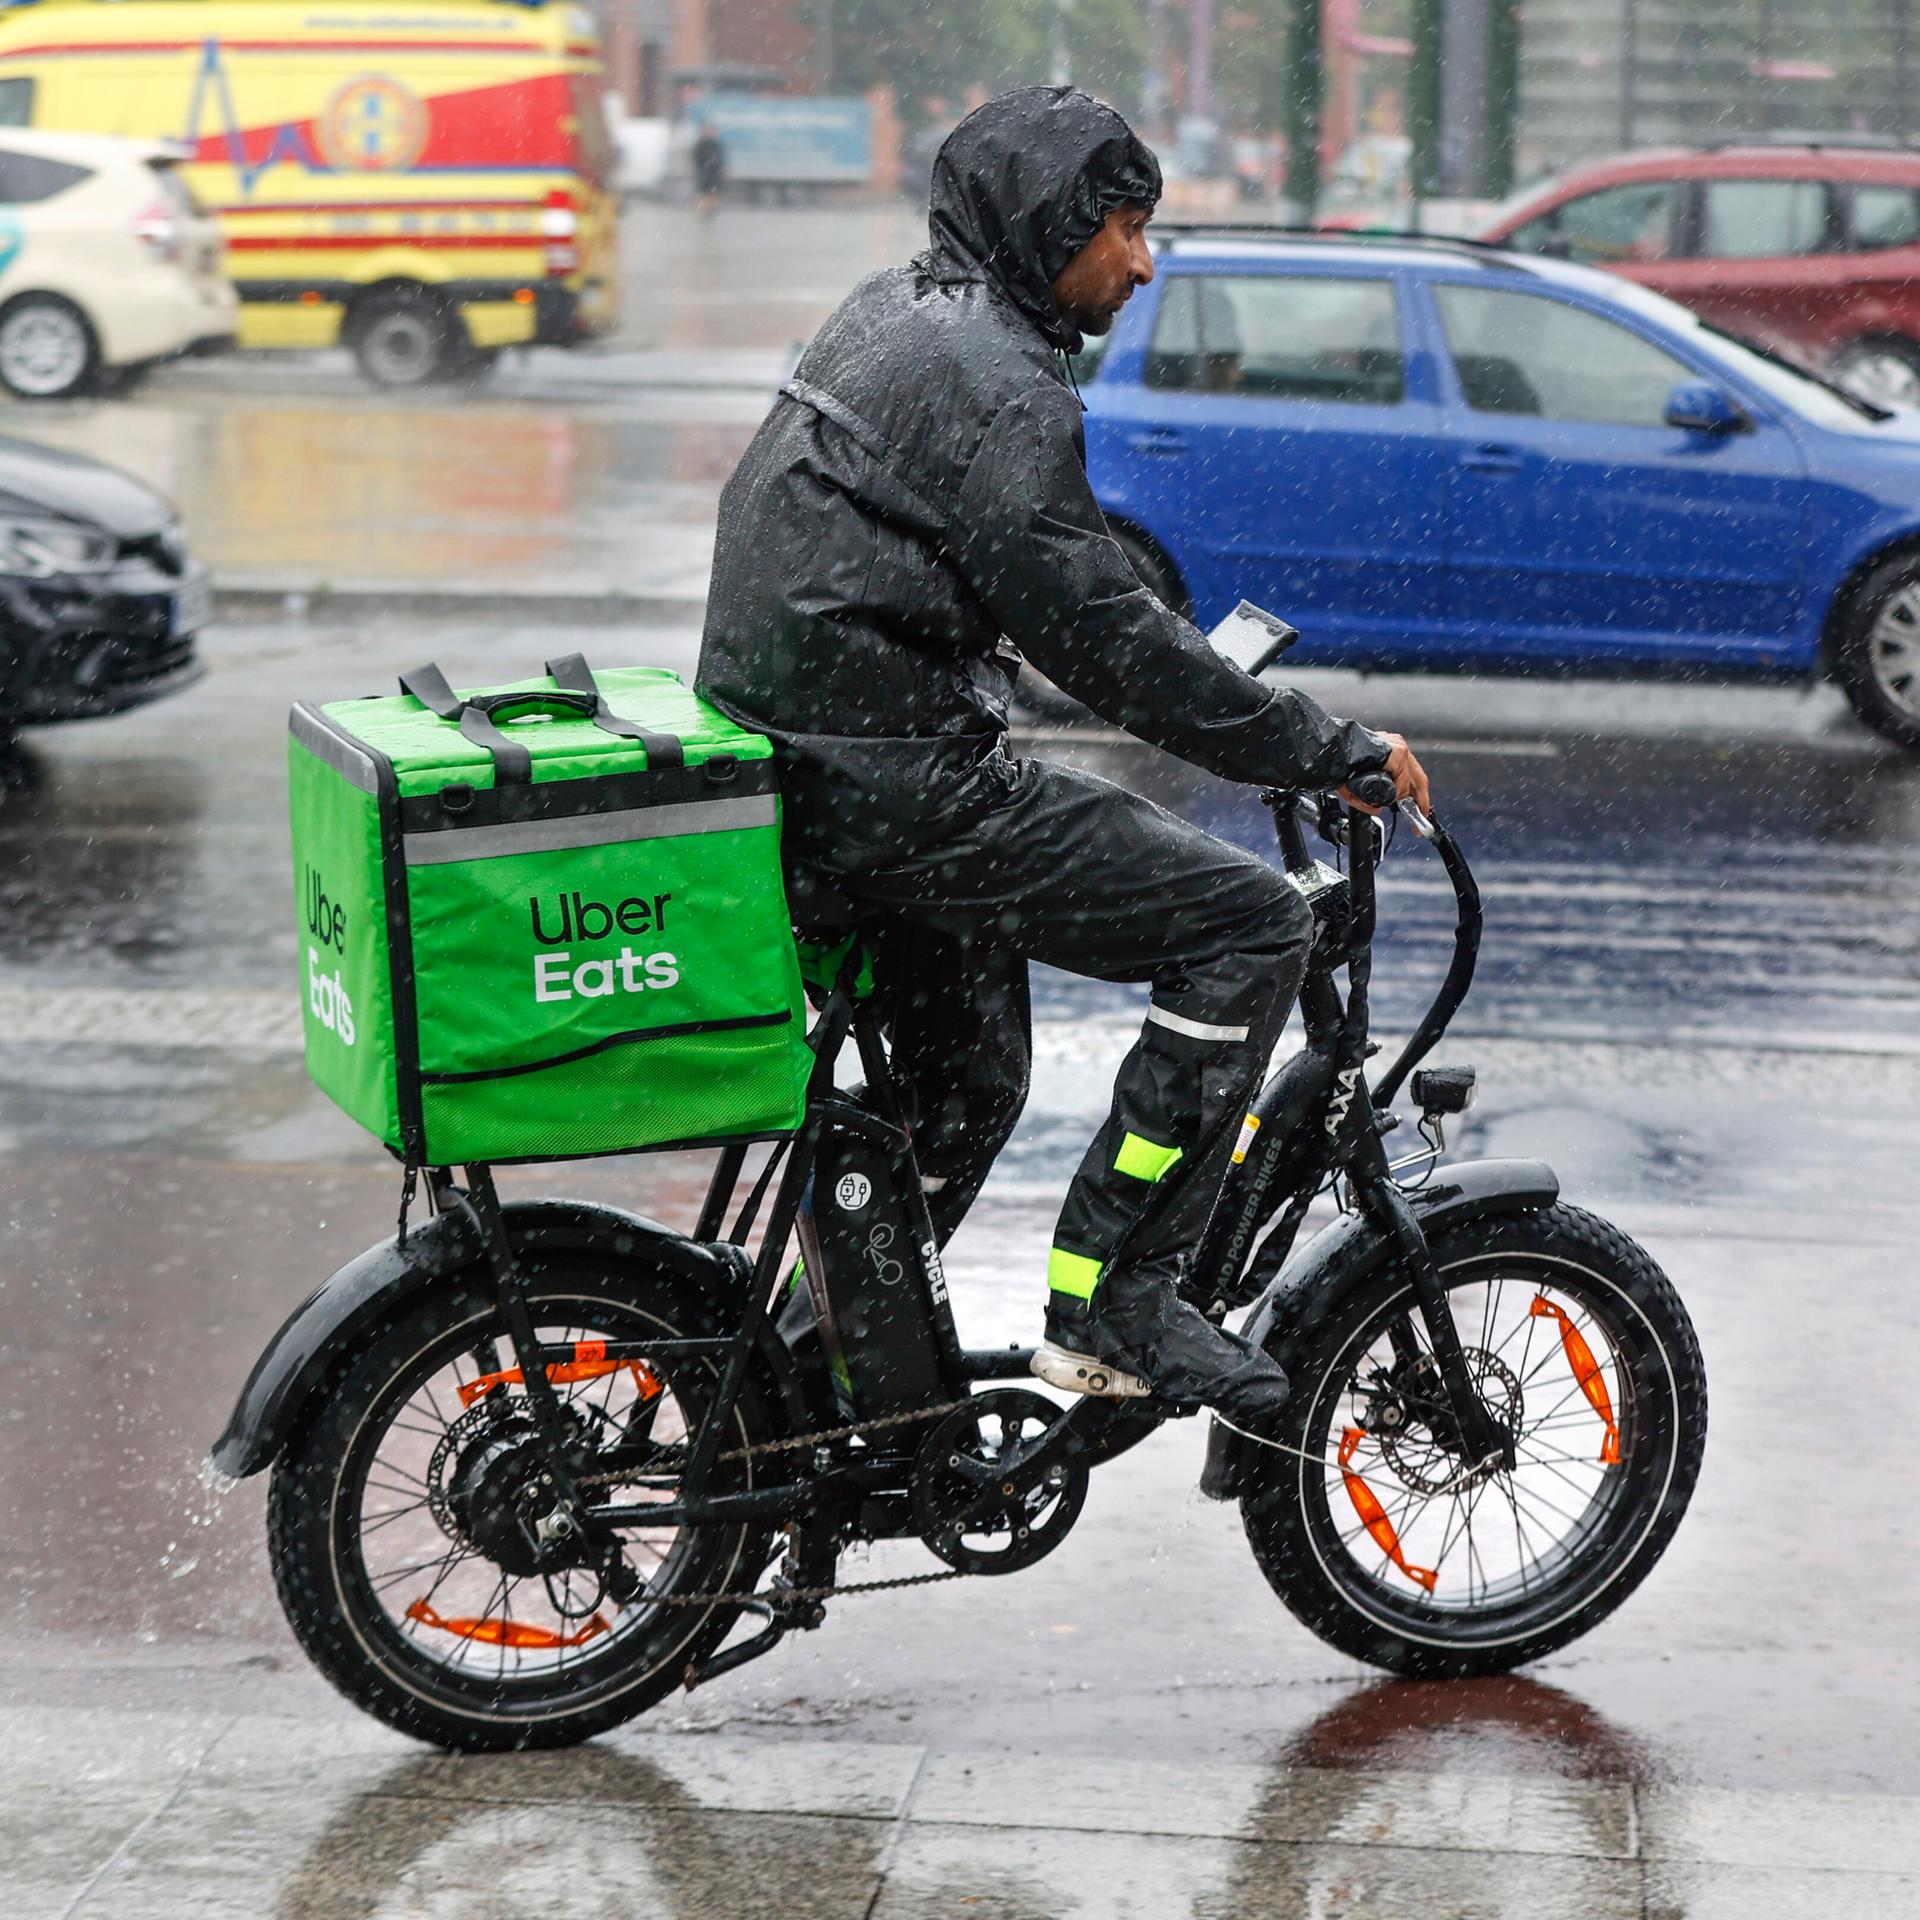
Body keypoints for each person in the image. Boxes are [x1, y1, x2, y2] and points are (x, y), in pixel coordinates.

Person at [697, 87, 1430, 1424]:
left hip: (807, 767)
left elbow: (1055, 586)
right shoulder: (998, 383)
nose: (1142, 266)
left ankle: (816, 1386)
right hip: (895, 786)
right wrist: (1317, 746)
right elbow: (1101, 638)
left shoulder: (899, 313)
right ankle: (1120, 1301)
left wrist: (1205, 683)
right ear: (1051, 224)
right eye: (1126, 229)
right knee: (1250, 924)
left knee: (967, 1088)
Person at [692, 121, 726, 218]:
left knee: (713, 193)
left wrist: (722, 169)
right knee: (704, 193)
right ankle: (704, 212)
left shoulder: (716, 144)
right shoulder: (701, 144)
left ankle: (710, 211)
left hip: (715, 174)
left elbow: (721, 159)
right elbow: (697, 159)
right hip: (704, 173)